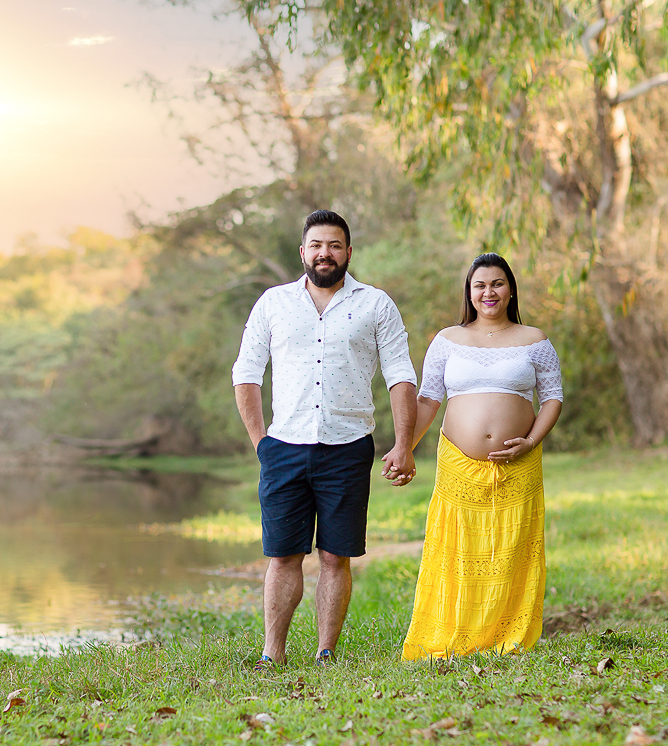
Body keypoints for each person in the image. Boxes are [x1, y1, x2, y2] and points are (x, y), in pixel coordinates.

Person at [232, 209, 418, 669]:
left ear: (348, 252)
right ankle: (272, 655)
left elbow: (400, 376)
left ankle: (325, 653)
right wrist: (262, 442)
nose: (325, 253)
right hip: (284, 448)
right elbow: (246, 374)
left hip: (349, 447)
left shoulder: (376, 304)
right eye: (316, 245)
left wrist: (403, 443)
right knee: (282, 555)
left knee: (336, 556)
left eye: (334, 245)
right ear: (302, 252)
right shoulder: (273, 304)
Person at [401, 252, 563, 660]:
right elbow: (428, 399)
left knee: (511, 547)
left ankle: (506, 637)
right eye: (480, 285)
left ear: (511, 290)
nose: (488, 292)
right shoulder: (447, 339)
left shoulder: (535, 339)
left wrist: (531, 441)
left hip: (520, 462)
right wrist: (404, 447)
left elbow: (553, 399)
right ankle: (454, 633)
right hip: (457, 462)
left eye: (497, 284)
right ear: (469, 293)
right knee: (459, 547)